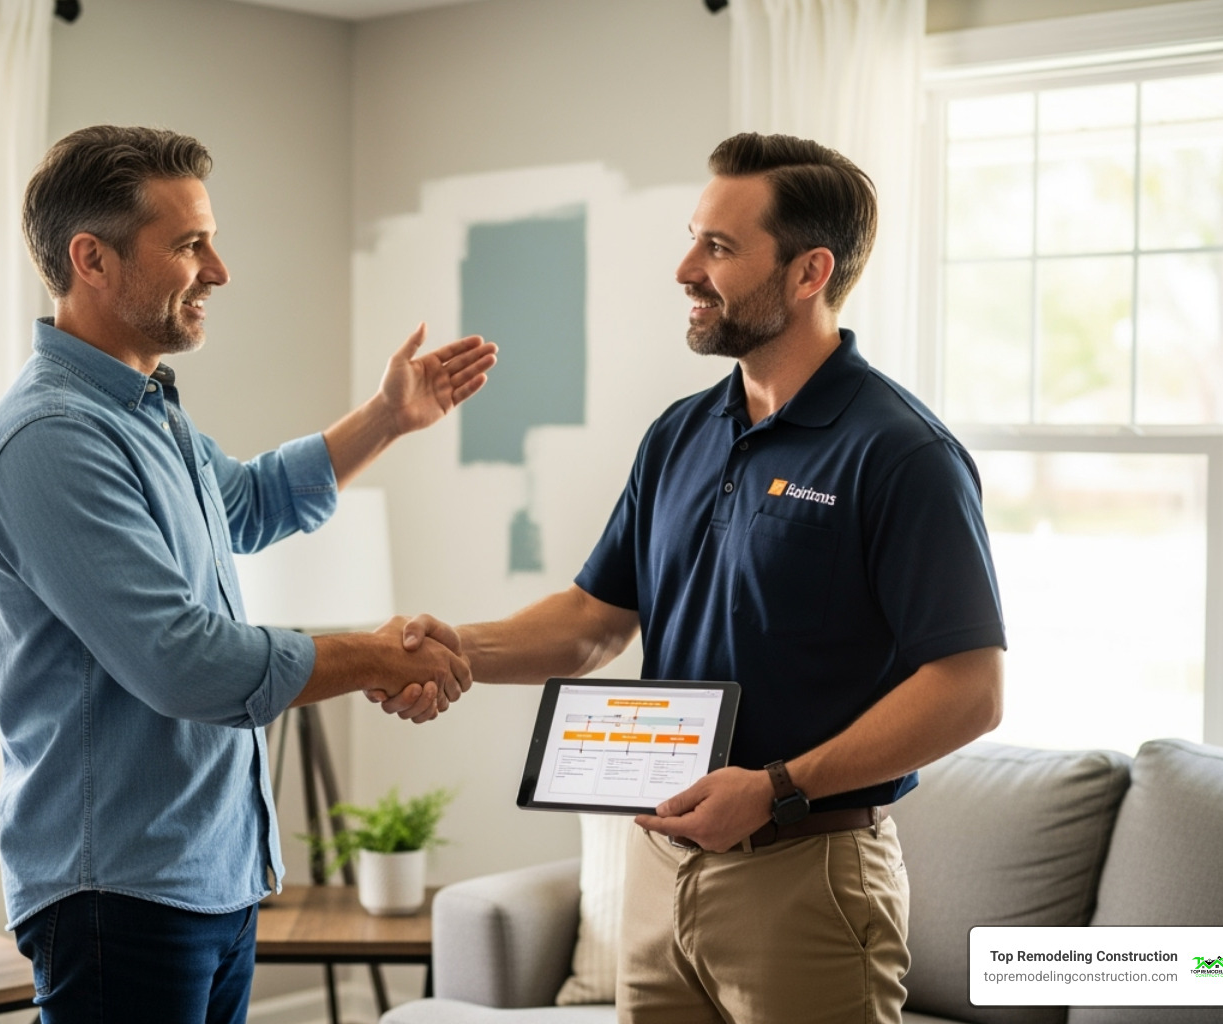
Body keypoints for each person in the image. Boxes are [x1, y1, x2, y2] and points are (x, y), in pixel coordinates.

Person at [393, 132, 1006, 1023]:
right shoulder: (680, 433)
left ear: (809, 273)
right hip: (657, 867)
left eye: (718, 247)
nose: (685, 268)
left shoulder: (902, 452)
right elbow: (596, 618)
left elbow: (970, 690)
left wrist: (777, 787)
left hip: (806, 874)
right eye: (693, 237)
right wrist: (459, 649)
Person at [0, 124, 496, 1023]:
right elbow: (185, 662)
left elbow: (247, 504)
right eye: (188, 245)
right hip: (119, 896)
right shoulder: (52, 437)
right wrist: (376, 657)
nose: (219, 269)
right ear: (90, 258)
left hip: (211, 879)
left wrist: (386, 416)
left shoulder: (147, 413)